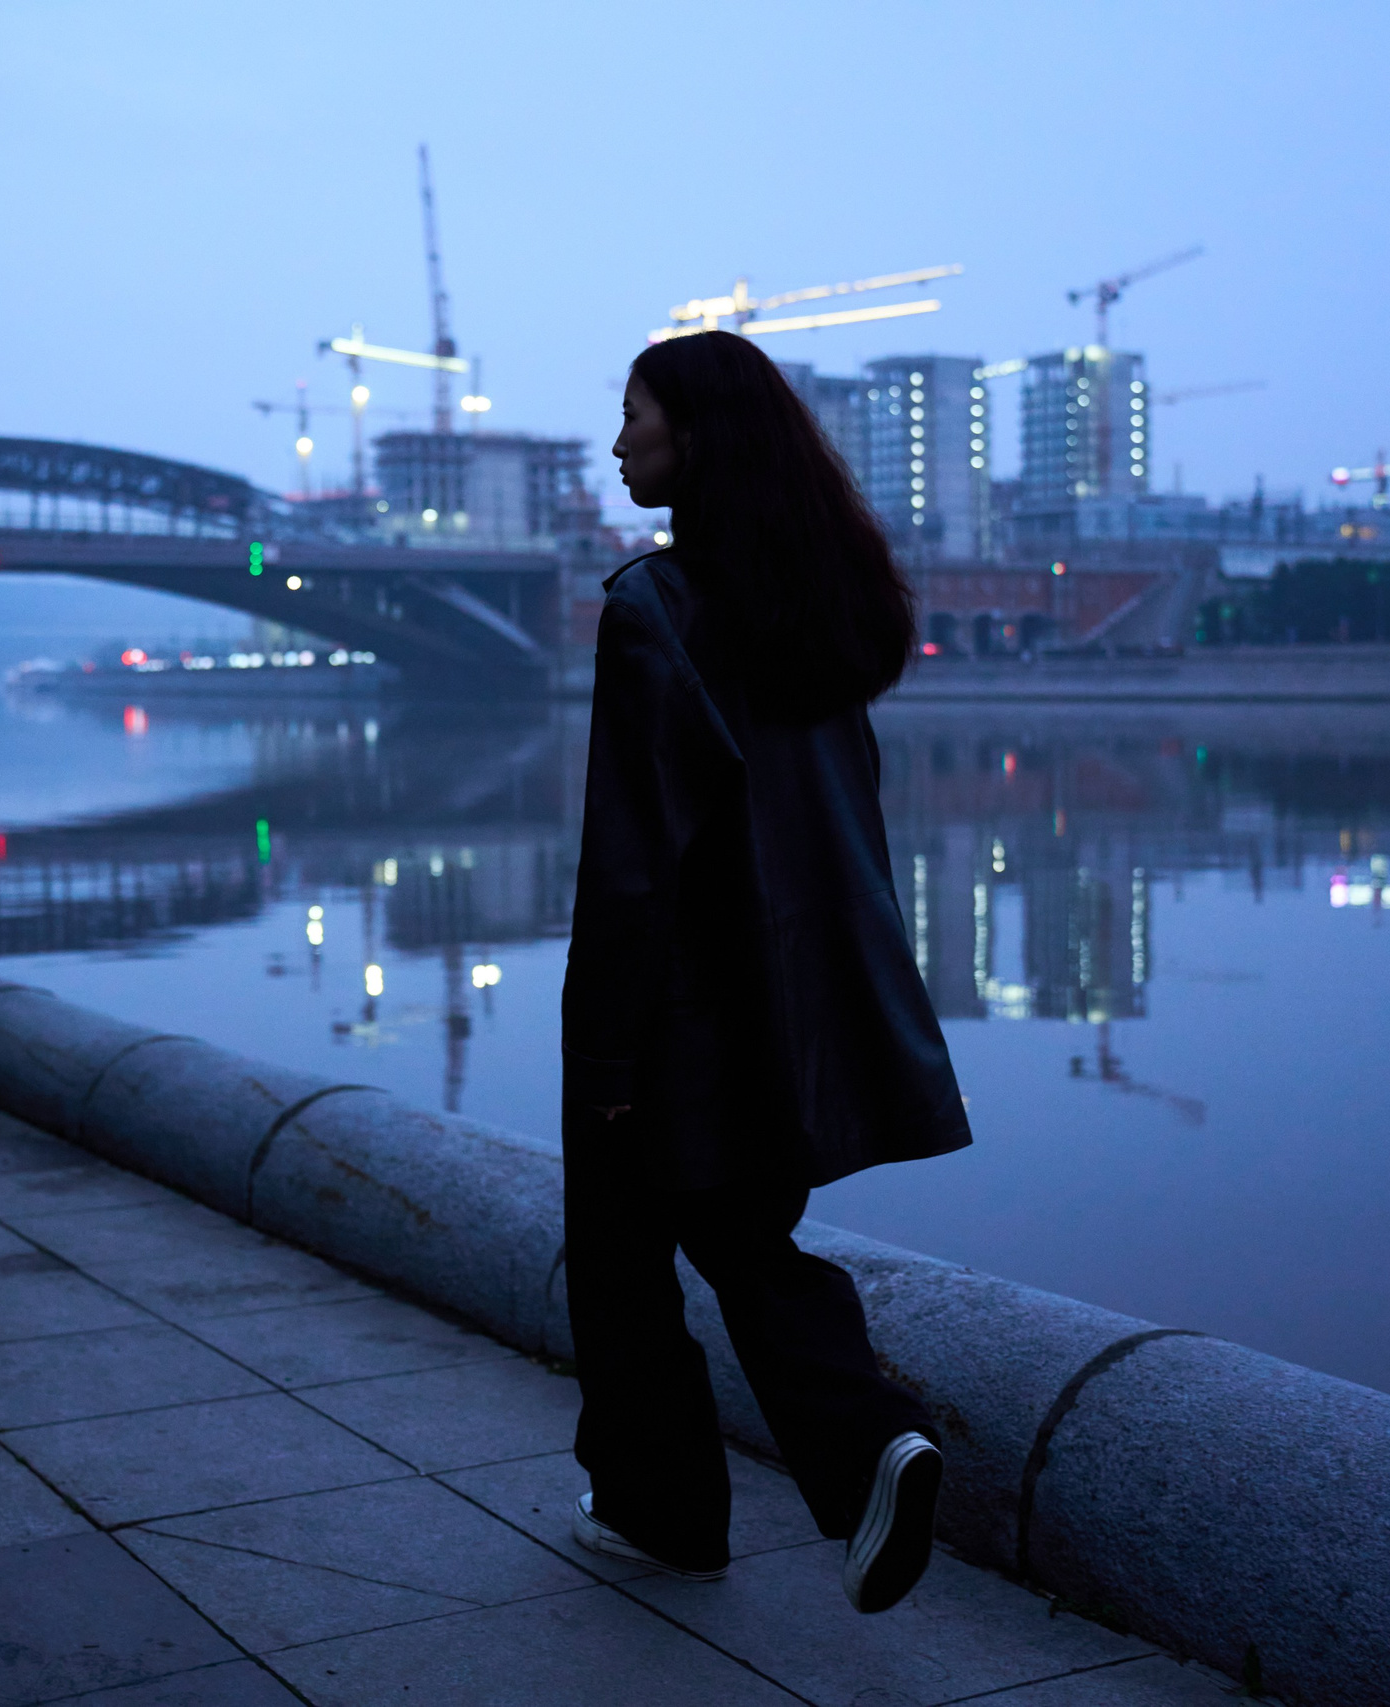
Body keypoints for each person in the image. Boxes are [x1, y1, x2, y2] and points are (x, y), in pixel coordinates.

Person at [562, 329, 973, 1614]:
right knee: (746, 1235)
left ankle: (666, 1513)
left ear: (698, 437)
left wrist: (611, 1053)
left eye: (634, 417)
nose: (618, 441)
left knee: (622, 1257)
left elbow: (634, 860)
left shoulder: (656, 608)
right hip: (807, 1001)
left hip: (679, 1010)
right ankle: (867, 1454)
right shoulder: (823, 605)